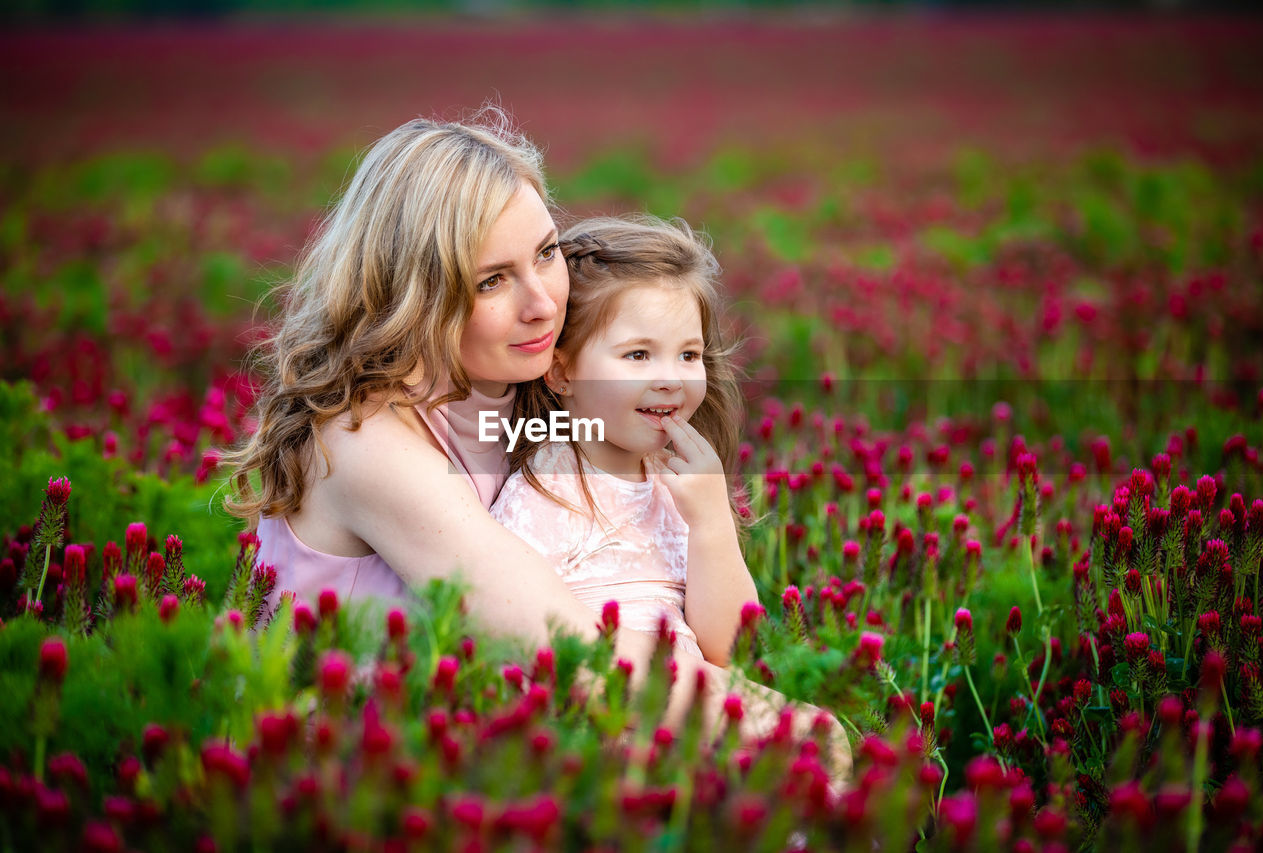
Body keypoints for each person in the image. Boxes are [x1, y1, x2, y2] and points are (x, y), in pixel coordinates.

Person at [225, 111, 849, 775]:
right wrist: (789, 724)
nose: (544, 303)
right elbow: (570, 650)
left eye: (547, 253)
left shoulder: (517, 390)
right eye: (492, 279)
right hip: (323, 782)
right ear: (417, 295)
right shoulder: (366, 440)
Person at [489, 215, 758, 668]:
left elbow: (734, 652)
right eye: (638, 354)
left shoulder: (682, 488)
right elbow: (510, 640)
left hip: (695, 714)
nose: (671, 379)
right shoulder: (547, 493)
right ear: (561, 371)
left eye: (688, 355)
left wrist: (712, 523)